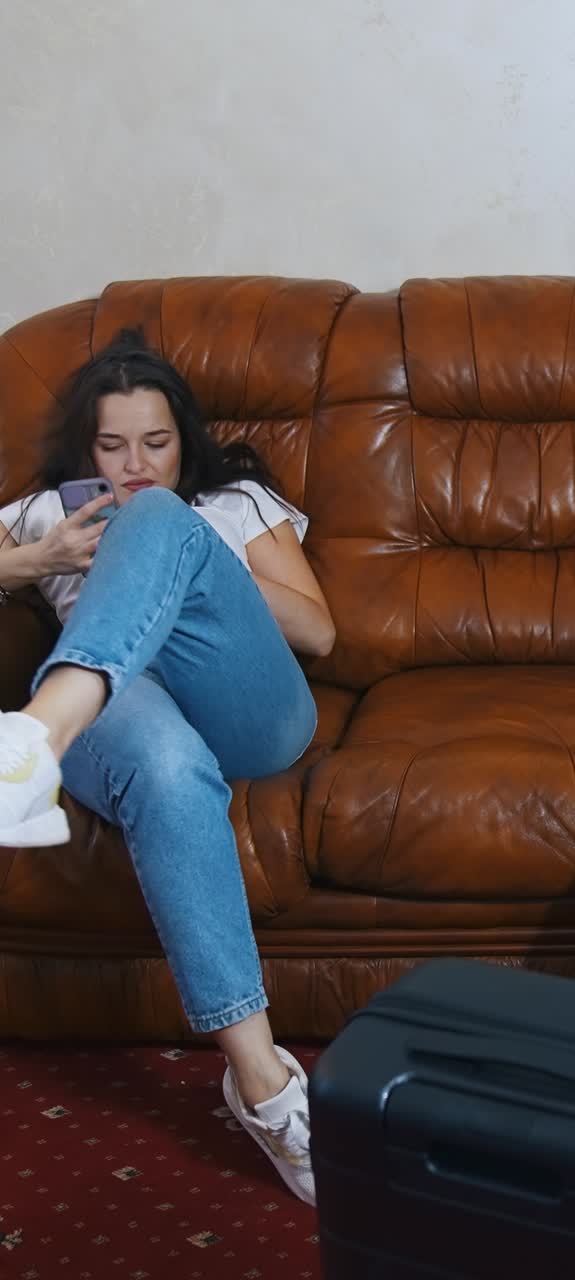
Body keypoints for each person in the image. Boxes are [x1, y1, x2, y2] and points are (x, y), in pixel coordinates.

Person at [0, 330, 335, 1204]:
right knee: (167, 765)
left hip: (251, 708)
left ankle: (35, 737)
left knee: (155, 521)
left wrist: (183, 550)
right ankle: (261, 1081)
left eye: (155, 443)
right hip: (131, 718)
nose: (134, 463)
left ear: (184, 438)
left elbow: (318, 630)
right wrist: (43, 561)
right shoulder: (49, 514)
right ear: (86, 448)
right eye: (112, 447)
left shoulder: (231, 502)